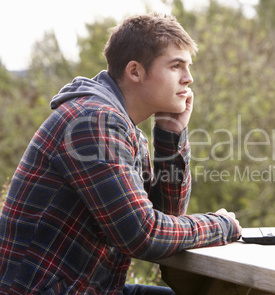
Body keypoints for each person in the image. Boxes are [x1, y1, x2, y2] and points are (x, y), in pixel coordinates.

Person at [0, 13, 241, 294]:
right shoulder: (92, 120)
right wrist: (219, 225)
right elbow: (143, 234)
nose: (189, 79)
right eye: (176, 66)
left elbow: (166, 218)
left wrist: (170, 134)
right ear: (135, 71)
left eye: (188, 67)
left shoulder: (120, 126)